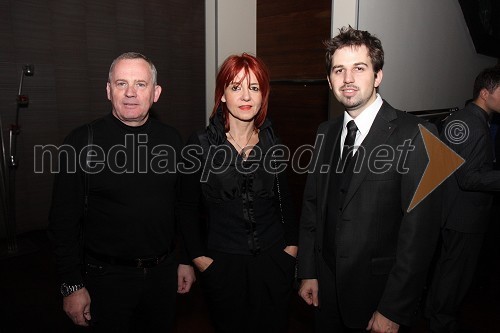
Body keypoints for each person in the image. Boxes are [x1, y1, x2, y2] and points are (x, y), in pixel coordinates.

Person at [297, 26, 441, 332]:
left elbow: (420, 236)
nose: (348, 79)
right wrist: (308, 271)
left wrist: (394, 309)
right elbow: (313, 208)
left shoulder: (417, 135)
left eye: (359, 68)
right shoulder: (325, 132)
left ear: (377, 76)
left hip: (377, 297)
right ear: (329, 80)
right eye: (339, 70)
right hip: (325, 290)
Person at [48, 52, 195, 332]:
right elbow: (62, 222)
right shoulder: (81, 142)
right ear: (108, 90)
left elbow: (182, 207)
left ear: (156, 93)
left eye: (141, 84)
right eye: (121, 83)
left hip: (163, 276)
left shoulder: (172, 139)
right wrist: (71, 285)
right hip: (106, 279)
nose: (130, 93)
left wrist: (185, 260)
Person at [177, 53, 298, 333]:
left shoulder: (271, 140)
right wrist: (199, 259)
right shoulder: (200, 144)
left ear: (263, 95)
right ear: (222, 95)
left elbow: (285, 202)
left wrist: (290, 251)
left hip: (273, 262)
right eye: (236, 87)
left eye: (254, 88)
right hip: (222, 266)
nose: (246, 96)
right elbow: (186, 207)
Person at [425, 66, 500, 332]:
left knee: (448, 271)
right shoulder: (472, 122)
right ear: (484, 92)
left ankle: (436, 314)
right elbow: (469, 178)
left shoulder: (471, 118)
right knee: (455, 275)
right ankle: (441, 321)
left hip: (456, 213)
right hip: (463, 216)